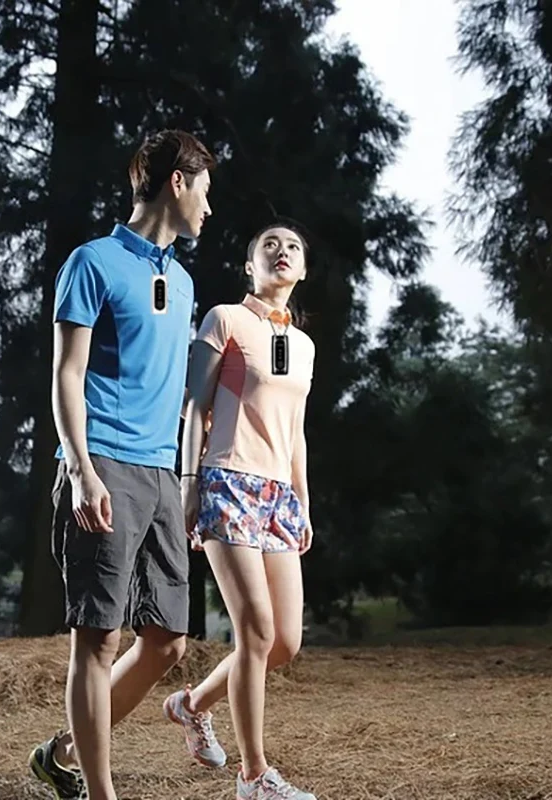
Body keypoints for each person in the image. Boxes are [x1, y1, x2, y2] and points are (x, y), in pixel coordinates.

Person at [27, 130, 215, 800]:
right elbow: (66, 374)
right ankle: (99, 792)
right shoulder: (92, 263)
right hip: (103, 462)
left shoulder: (183, 282)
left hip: (161, 472)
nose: (208, 208)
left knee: (167, 641)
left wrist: (188, 477)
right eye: (204, 192)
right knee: (98, 638)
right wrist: (81, 469)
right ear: (177, 182)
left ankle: (62, 752)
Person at [163, 222, 317, 800]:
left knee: (284, 643)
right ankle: (254, 777)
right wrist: (189, 484)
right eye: (269, 246)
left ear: (303, 270)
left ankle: (190, 705)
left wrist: (302, 501)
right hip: (226, 481)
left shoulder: (303, 346)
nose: (282, 252)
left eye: (293, 247)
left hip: (279, 496)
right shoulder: (224, 319)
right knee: (255, 631)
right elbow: (194, 408)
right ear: (251, 266)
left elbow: (296, 432)